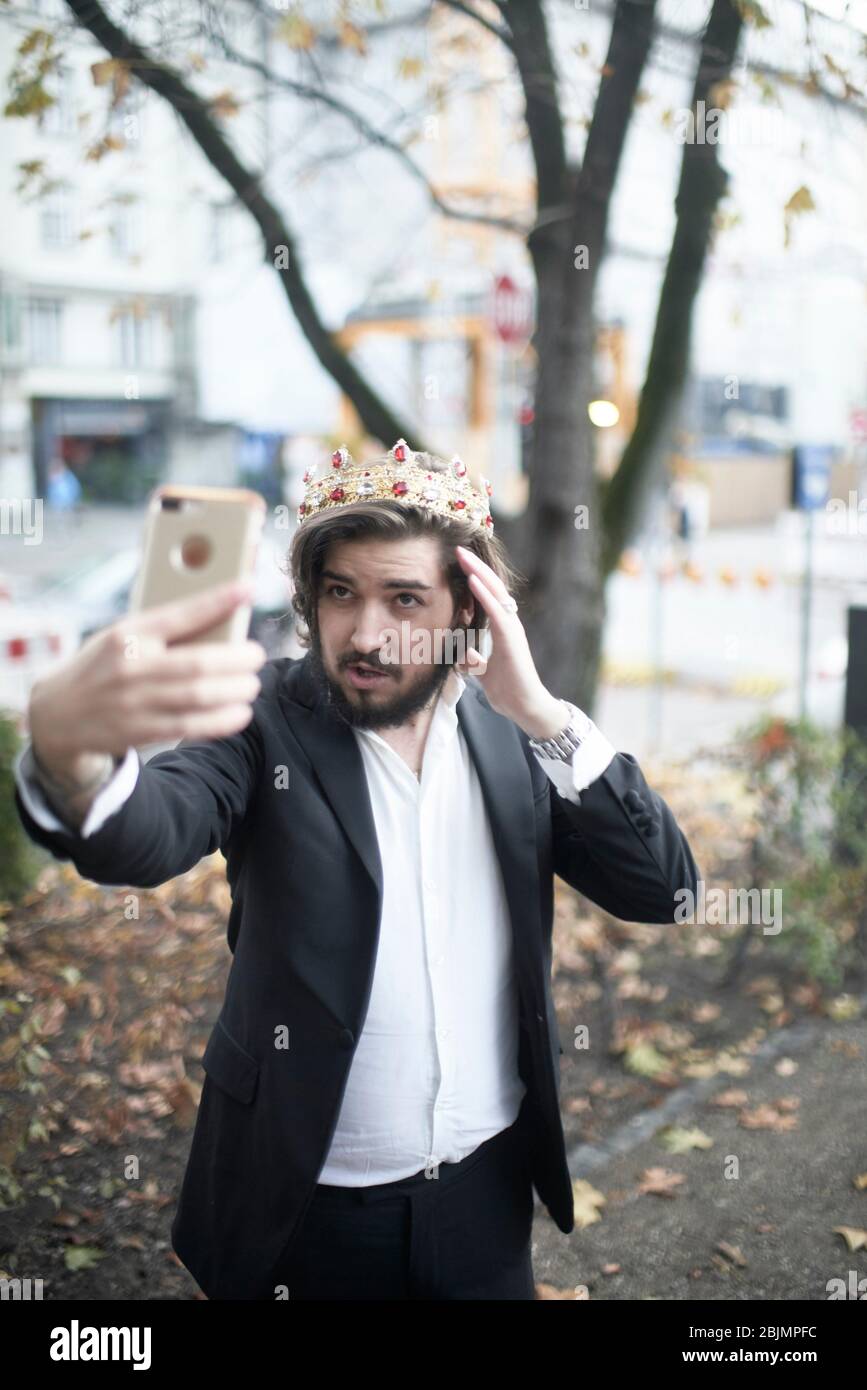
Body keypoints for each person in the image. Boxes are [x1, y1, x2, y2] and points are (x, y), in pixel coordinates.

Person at [12, 440, 699, 1301]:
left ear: (467, 612)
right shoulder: (261, 722)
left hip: (485, 1202)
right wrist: (72, 760)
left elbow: (664, 888)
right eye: (341, 592)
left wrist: (541, 713)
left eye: (404, 599)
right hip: (305, 1213)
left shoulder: (511, 736)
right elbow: (147, 831)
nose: (366, 634)